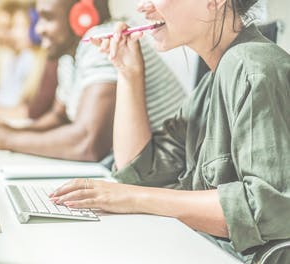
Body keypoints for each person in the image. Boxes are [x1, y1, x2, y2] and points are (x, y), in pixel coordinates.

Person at [50, 0, 290, 262]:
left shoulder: (252, 66)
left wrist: (132, 198)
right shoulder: (214, 80)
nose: (143, 6)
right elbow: (138, 171)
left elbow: (265, 211)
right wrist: (128, 73)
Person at [0, 0, 185, 162]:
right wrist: (6, 131)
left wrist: (6, 140)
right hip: (143, 169)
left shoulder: (106, 40)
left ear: (83, 15)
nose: (38, 29)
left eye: (48, 18)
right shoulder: (71, 53)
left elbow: (87, 143)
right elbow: (59, 117)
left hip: (168, 170)